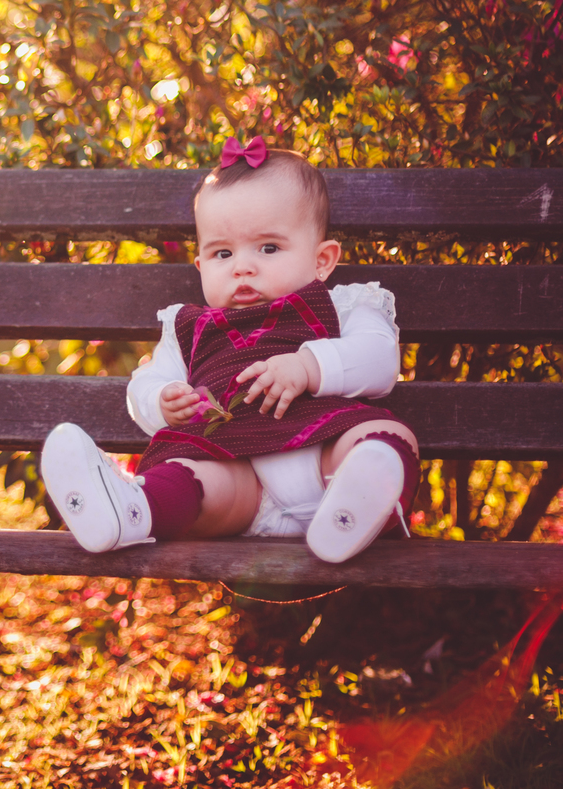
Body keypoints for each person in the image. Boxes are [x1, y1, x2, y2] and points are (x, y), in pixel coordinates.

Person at [40, 140, 419, 563]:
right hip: (238, 489)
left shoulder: (342, 304)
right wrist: (163, 401)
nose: (242, 267)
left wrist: (309, 365)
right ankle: (133, 510)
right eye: (223, 253)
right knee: (188, 477)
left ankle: (357, 510)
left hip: (325, 465)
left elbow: (380, 359)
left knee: (384, 441)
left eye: (269, 248)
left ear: (322, 260)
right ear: (201, 266)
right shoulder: (188, 327)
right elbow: (145, 382)